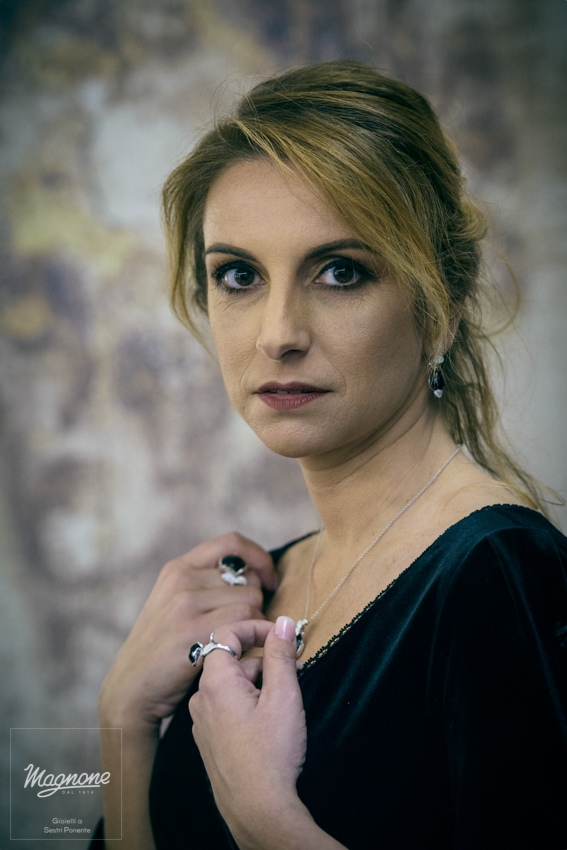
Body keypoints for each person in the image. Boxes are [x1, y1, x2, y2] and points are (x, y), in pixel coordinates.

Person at [92, 61, 567, 849]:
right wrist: (124, 720)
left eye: (340, 272)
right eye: (238, 275)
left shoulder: (500, 574)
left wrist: (266, 819)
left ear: (441, 311)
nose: (277, 333)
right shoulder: (263, 584)